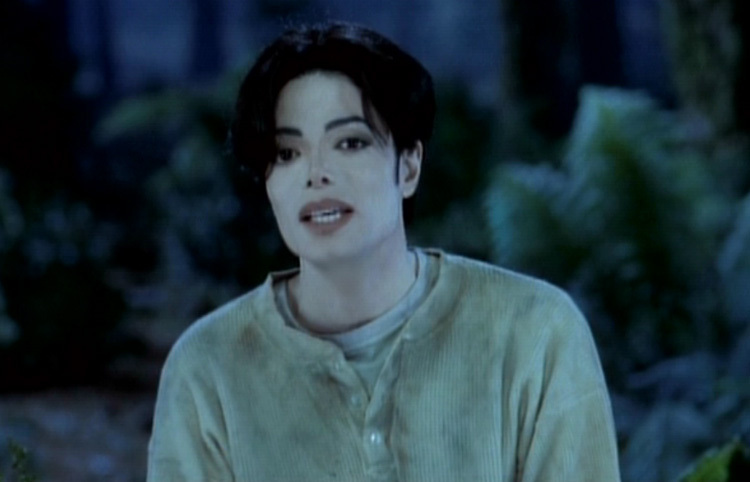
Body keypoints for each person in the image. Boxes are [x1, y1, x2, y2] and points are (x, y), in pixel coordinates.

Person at [147, 21, 621, 481]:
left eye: (350, 142)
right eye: (287, 153)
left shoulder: (535, 331)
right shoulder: (207, 367)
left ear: (409, 166)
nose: (316, 173)